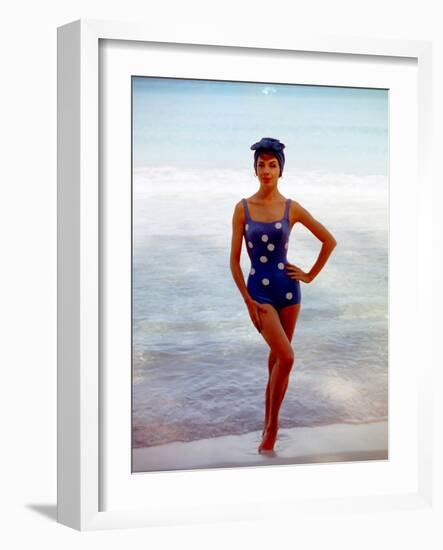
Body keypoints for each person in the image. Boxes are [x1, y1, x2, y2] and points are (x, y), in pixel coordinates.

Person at [229, 137, 337, 453]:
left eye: (272, 165)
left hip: (289, 292)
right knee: (287, 357)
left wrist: (309, 275)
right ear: (254, 169)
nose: (266, 170)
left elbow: (329, 241)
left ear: (280, 170)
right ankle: (273, 427)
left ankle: (268, 423)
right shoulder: (242, 208)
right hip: (258, 293)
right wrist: (247, 302)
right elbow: (234, 262)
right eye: (261, 164)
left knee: (278, 360)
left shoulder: (292, 208)